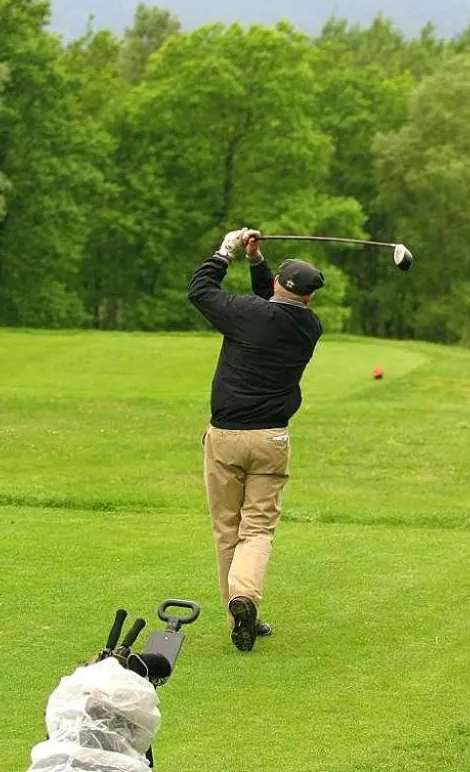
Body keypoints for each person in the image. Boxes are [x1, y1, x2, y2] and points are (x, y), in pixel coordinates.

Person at [188, 227, 325, 652]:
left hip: (225, 437)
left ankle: (237, 611)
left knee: (227, 529)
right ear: (310, 296)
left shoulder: (247, 313)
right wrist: (256, 262)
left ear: (279, 284)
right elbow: (274, 304)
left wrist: (225, 251)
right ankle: (244, 601)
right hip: (271, 440)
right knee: (258, 529)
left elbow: (200, 290)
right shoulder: (309, 326)